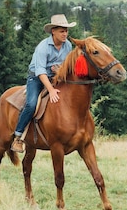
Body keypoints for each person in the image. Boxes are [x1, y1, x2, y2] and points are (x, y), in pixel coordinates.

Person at [11, 14, 77, 153]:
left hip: (56, 77)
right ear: (53, 31)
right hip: (36, 78)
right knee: (31, 104)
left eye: (66, 31)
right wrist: (51, 90)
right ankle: (18, 136)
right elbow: (40, 72)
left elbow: (66, 65)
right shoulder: (43, 47)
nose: (65, 34)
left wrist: (60, 69)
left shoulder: (68, 45)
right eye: (62, 31)